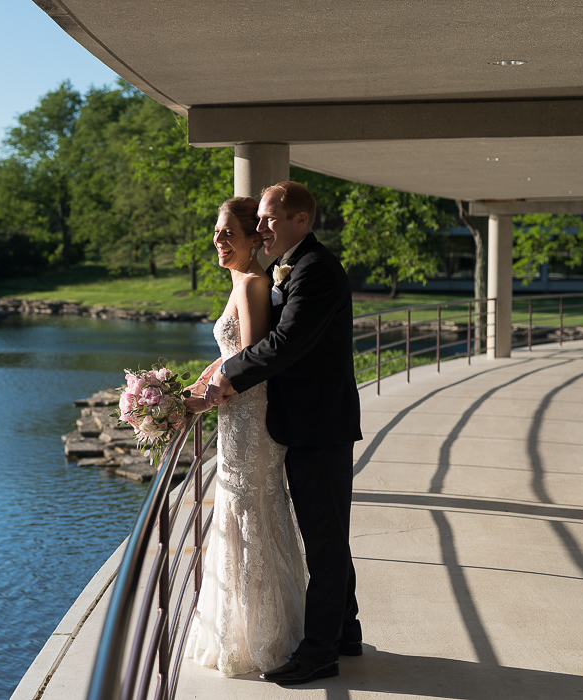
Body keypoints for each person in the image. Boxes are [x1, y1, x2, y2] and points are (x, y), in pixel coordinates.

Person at [204, 181, 363, 685]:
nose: (261, 227)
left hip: (320, 425)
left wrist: (226, 378)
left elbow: (285, 344)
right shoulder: (287, 268)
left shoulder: (314, 270)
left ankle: (321, 652)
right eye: (261, 221)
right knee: (327, 533)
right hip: (304, 421)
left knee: (324, 538)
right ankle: (346, 630)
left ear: (300, 220)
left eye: (270, 220)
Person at [183, 196, 307, 677]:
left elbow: (254, 360)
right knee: (236, 513)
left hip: (251, 420)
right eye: (216, 232)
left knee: (253, 514)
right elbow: (233, 354)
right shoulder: (243, 279)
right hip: (234, 417)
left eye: (227, 232)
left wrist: (207, 398)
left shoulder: (255, 283)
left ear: (254, 238)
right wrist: (199, 383)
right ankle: (236, 628)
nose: (218, 240)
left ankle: (265, 635)